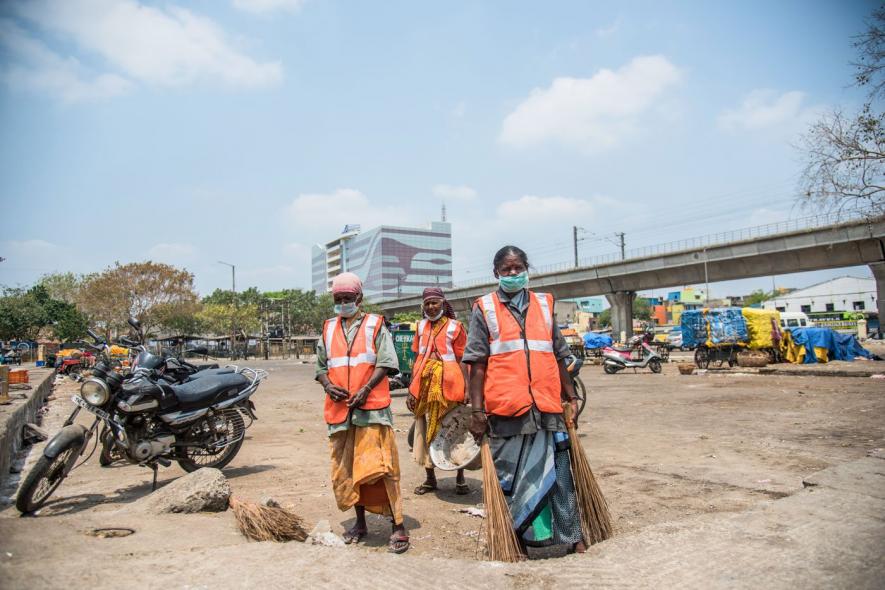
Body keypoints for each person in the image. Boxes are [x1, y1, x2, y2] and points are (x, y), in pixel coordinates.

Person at [463, 245, 586, 554]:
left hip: (546, 406)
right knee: (510, 479)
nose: (513, 274)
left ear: (527, 269)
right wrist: (477, 411)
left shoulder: (544, 304)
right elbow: (476, 362)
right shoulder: (485, 307)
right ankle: (514, 539)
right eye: (507, 270)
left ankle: (572, 536)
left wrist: (570, 396)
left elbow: (559, 355)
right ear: (496, 274)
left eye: (518, 268)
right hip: (506, 408)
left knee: (560, 475)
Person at [315, 272, 410, 554]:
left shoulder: (375, 325)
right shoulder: (328, 328)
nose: (343, 303)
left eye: (348, 298)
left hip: (372, 411)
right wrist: (328, 385)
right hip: (340, 413)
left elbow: (387, 362)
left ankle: (398, 525)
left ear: (359, 298)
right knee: (347, 470)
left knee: (381, 468)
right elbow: (320, 368)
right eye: (338, 299)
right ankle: (360, 522)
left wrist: (366, 388)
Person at [407, 287, 469, 495]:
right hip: (424, 387)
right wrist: (411, 389)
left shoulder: (456, 327)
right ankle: (430, 478)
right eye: (427, 303)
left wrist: (466, 388)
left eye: (435, 302)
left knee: (455, 429)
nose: (431, 307)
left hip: (451, 387)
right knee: (425, 432)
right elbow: (417, 358)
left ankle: (460, 477)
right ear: (423, 306)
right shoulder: (419, 327)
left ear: (443, 303)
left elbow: (463, 360)